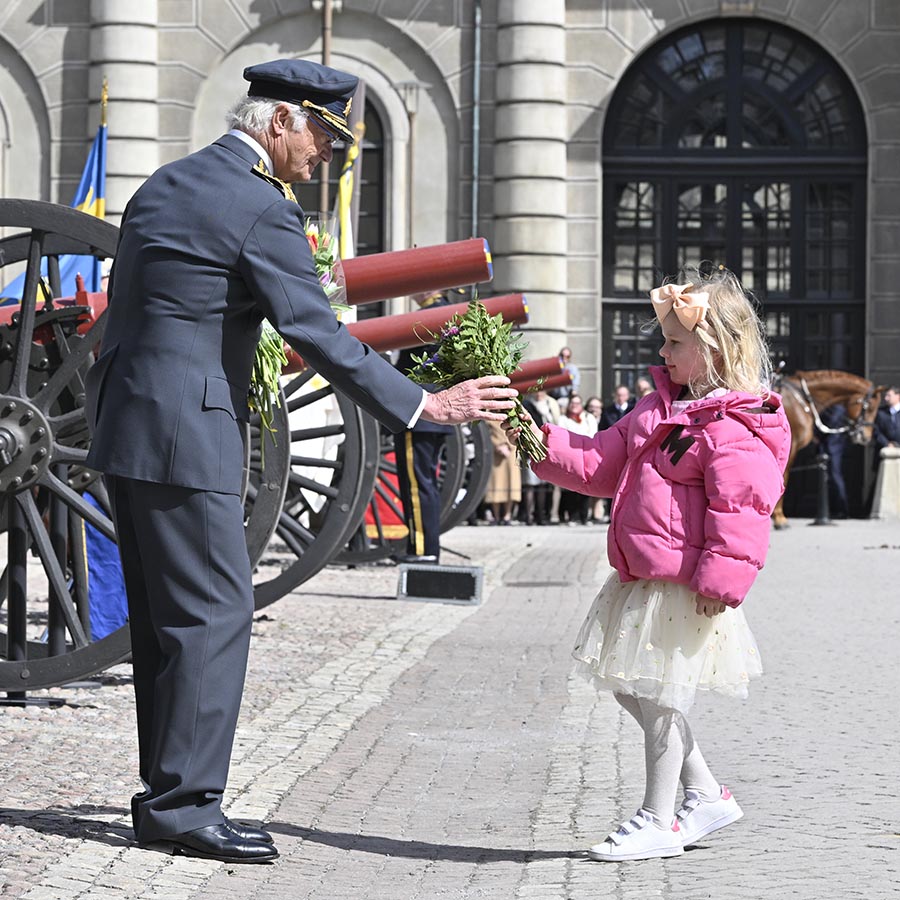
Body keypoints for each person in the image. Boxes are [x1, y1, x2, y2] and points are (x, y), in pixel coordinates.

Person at [84, 58, 516, 864]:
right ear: (280, 120)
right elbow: (315, 332)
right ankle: (185, 806)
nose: (326, 156)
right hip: (192, 437)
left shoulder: (165, 185)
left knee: (165, 623)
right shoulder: (258, 206)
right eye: (322, 134)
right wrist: (425, 406)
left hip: (129, 430)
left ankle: (167, 795)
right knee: (213, 617)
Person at [506, 269, 790, 862]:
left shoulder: (736, 425)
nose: (662, 352)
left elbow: (742, 509)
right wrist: (532, 437)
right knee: (633, 688)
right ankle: (706, 793)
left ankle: (658, 819)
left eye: (673, 343)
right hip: (645, 573)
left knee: (661, 696)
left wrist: (722, 581)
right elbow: (597, 464)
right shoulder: (656, 409)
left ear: (712, 348)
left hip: (683, 583)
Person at [392, 289, 463, 563]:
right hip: (435, 416)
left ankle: (423, 550)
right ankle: (423, 547)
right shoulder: (449, 315)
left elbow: (404, 367)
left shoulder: (426, 317)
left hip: (418, 414)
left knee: (416, 485)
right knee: (425, 484)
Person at [557, 395, 594, 525]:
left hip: (585, 455)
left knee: (585, 485)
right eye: (572, 403)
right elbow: (563, 434)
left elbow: (592, 435)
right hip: (570, 455)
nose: (574, 406)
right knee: (571, 488)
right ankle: (571, 516)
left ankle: (584, 517)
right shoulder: (563, 419)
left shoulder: (589, 418)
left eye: (577, 403)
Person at [816, 402, 849, 519]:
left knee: (835, 477)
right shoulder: (827, 407)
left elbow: (828, 423)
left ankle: (842, 509)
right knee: (827, 479)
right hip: (826, 446)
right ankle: (830, 509)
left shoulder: (838, 407)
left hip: (834, 447)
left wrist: (815, 430)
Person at [873, 386, 900, 465]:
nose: (886, 398)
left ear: (898, 396)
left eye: (889, 395)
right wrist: (887, 443)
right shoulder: (881, 413)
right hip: (884, 454)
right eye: (885, 396)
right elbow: (876, 431)